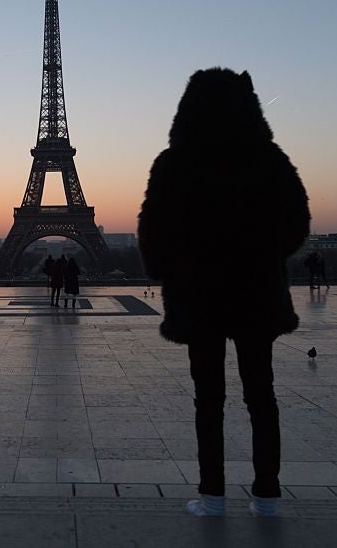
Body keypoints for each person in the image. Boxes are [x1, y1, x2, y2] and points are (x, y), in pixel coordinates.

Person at [138, 68, 310, 518]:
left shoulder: (173, 163)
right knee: (262, 396)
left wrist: (174, 270)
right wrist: (263, 257)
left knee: (208, 399)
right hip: (256, 292)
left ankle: (212, 495)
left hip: (199, 296)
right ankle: (267, 495)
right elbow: (297, 226)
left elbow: (151, 234)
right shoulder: (271, 160)